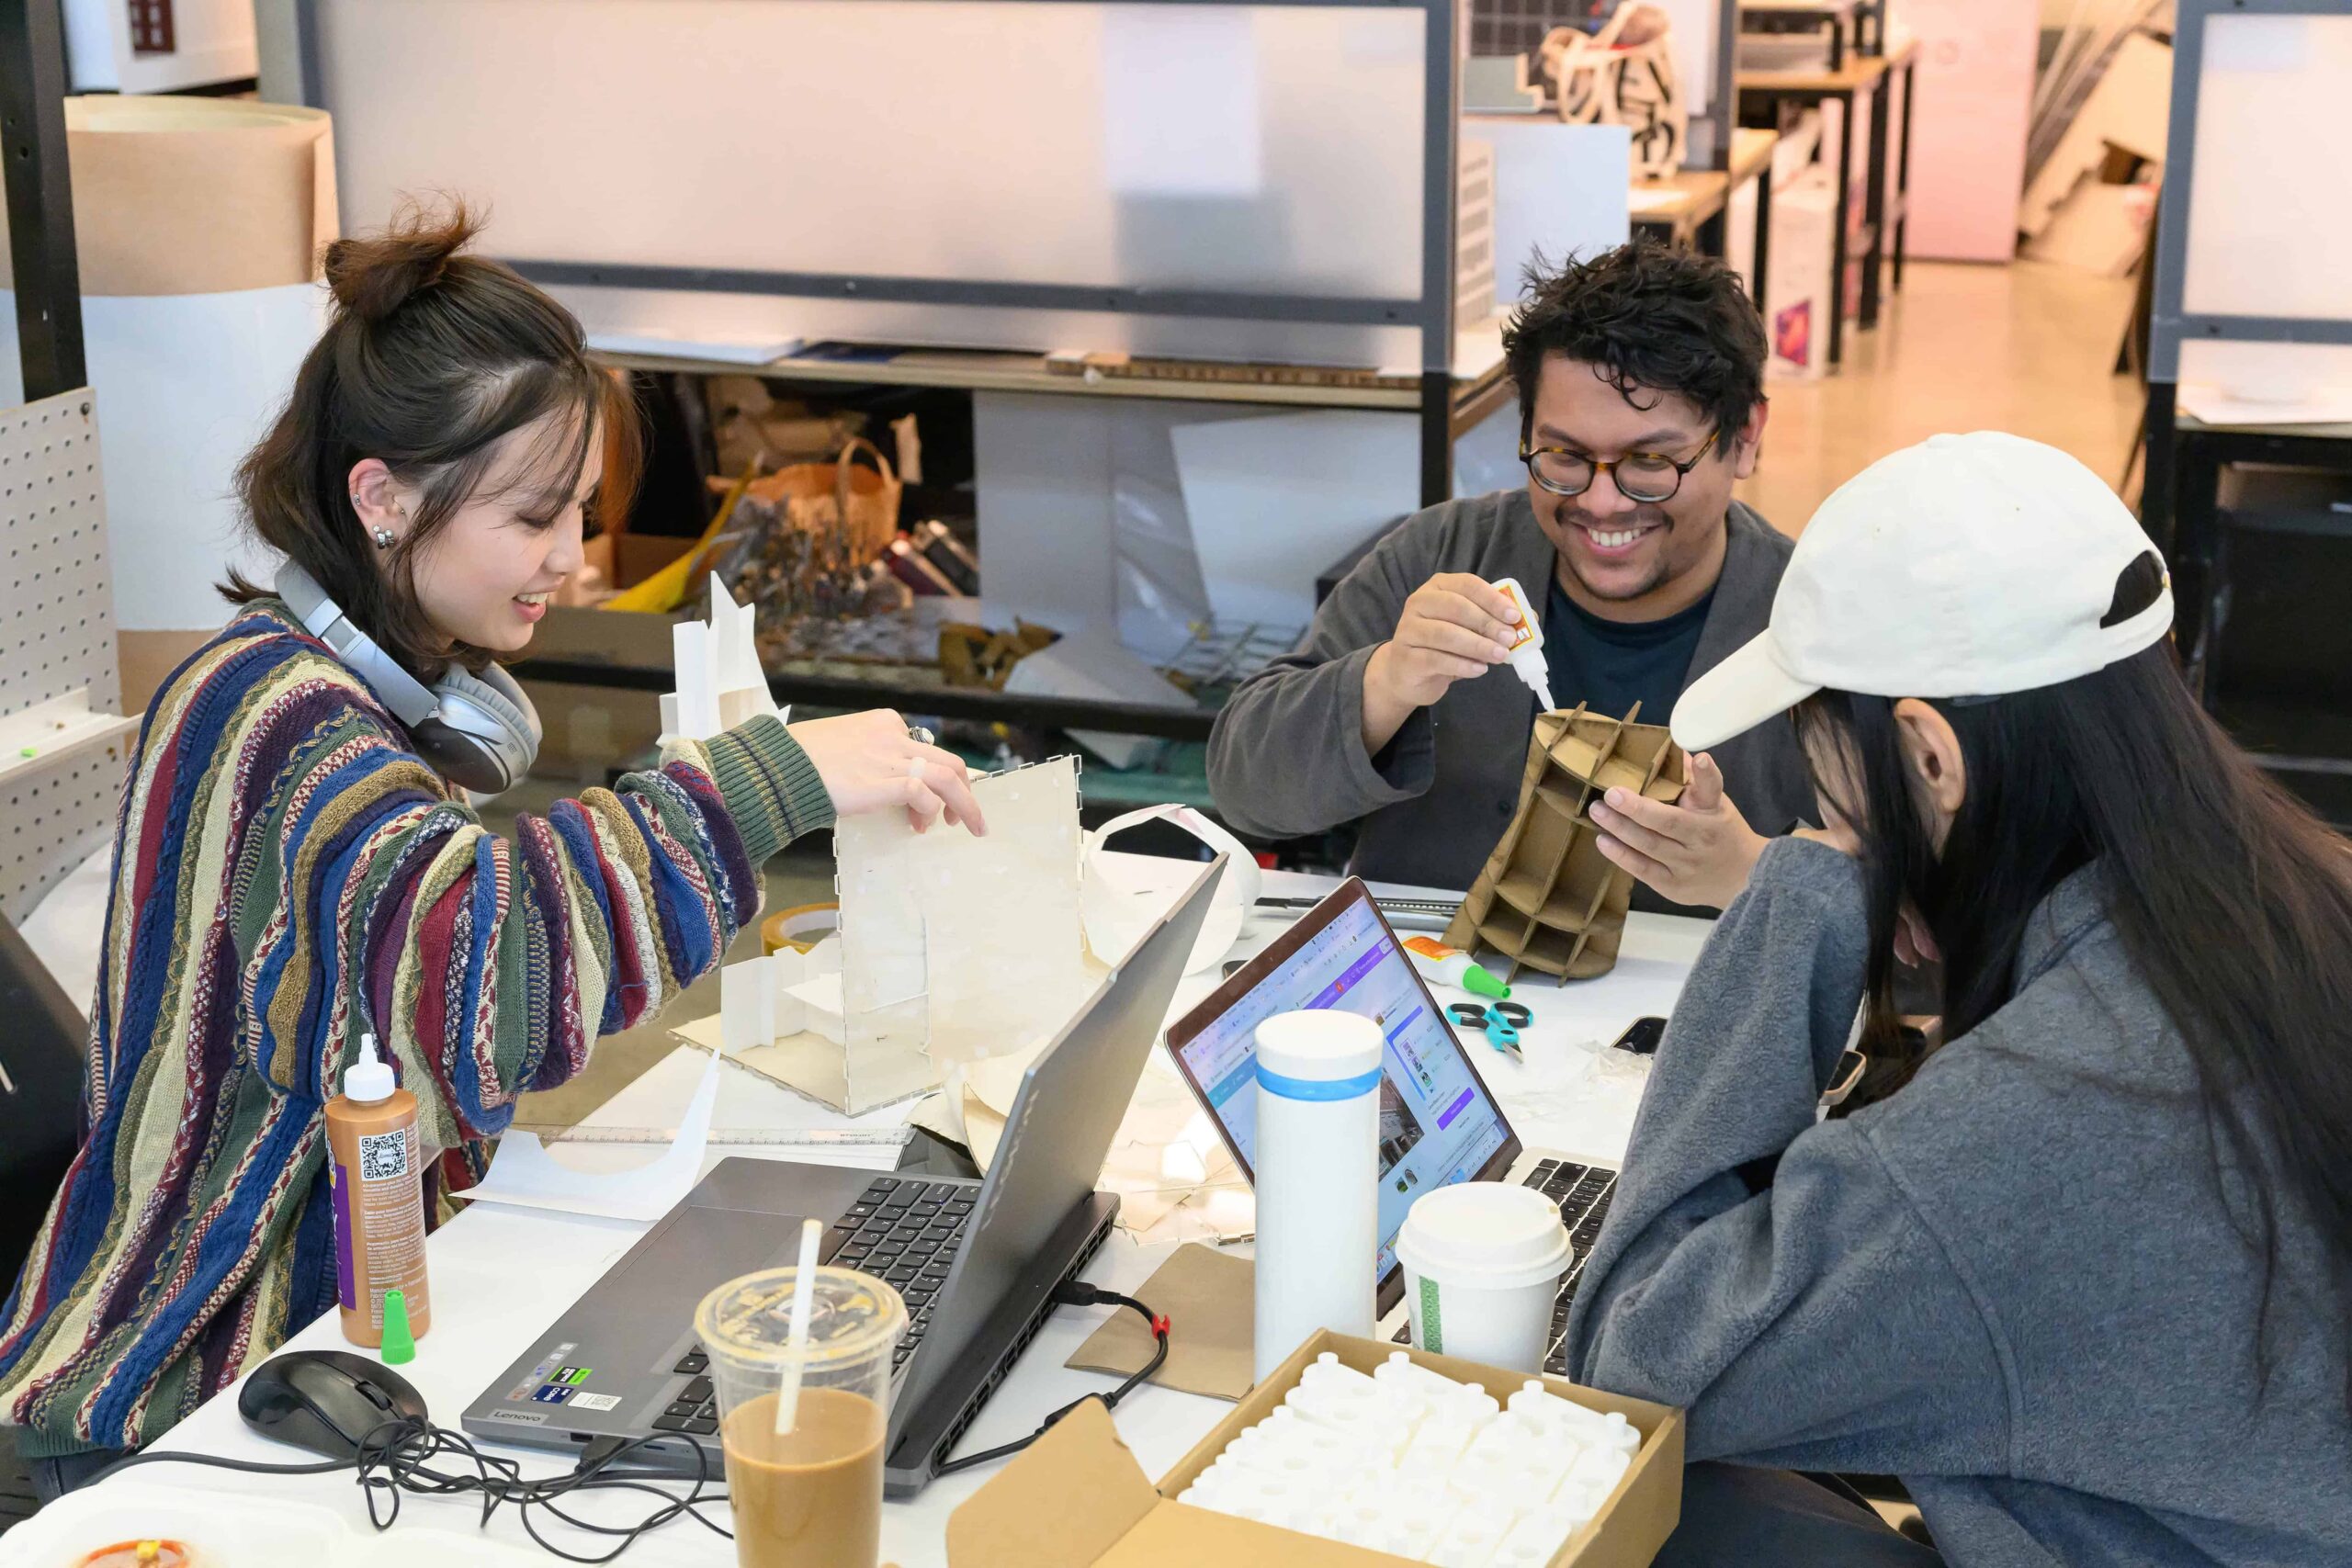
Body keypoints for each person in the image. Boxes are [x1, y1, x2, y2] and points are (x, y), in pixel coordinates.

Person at [0, 206, 987, 1502]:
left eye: (577, 511)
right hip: (175, 1393)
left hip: (335, 1329)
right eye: (533, 517)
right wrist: (766, 781)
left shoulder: (359, 696)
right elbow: (482, 978)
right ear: (384, 495)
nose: (570, 560)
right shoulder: (280, 716)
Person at [1566, 433, 2352, 1565]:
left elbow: (1634, 1360)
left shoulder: (2040, 1111)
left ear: (1929, 756)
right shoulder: (2294, 894)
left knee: (1664, 1510)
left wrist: (1800, 887)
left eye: (1825, 776)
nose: (1831, 819)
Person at [1207, 241, 1812, 911]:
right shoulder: (1446, 553)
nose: (1601, 502)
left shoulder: (1813, 627)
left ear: (1747, 436)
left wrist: (1757, 872)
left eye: (1650, 461)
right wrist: (1385, 682)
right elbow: (1245, 788)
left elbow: (1924, 920)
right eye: (1563, 454)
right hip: (1431, 988)